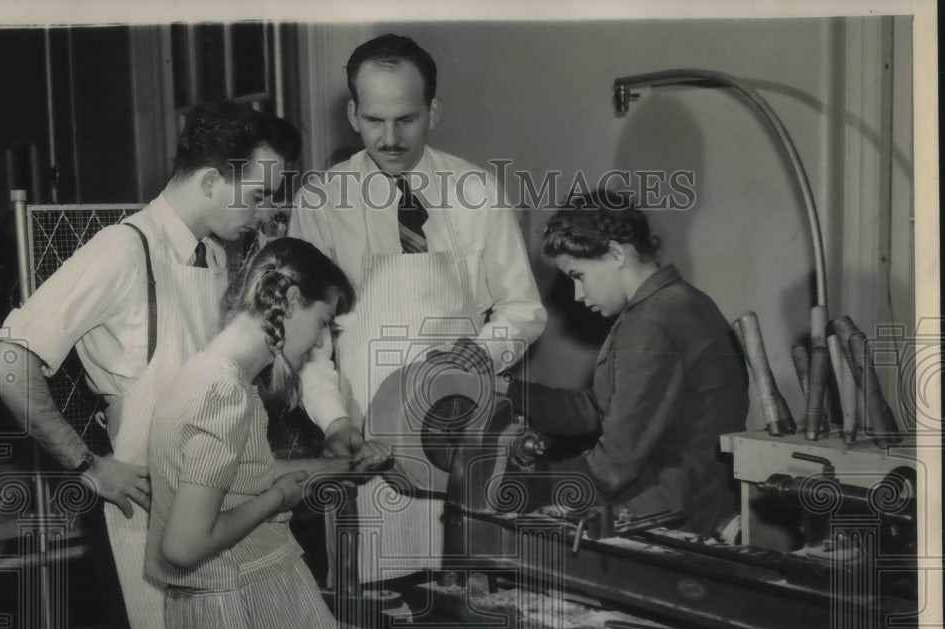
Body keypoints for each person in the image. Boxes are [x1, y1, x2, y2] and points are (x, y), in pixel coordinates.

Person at [0, 101, 301, 629]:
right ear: (211, 180)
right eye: (257, 195)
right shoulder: (121, 251)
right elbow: (8, 364)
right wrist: (87, 464)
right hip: (143, 512)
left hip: (207, 500)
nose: (263, 213)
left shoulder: (209, 255)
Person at [289, 33, 546, 585]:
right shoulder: (320, 202)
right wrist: (333, 420)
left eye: (406, 118)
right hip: (365, 439)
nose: (390, 138)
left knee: (468, 589)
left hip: (463, 430)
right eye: (374, 119)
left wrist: (472, 361)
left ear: (434, 109)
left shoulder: (478, 192)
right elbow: (310, 341)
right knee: (377, 602)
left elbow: (524, 310)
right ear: (352, 113)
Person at [144, 238, 390, 629]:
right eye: (324, 321)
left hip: (225, 605)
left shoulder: (207, 373)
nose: (322, 343)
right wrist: (278, 498)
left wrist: (338, 467)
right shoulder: (224, 394)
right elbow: (184, 545)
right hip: (243, 609)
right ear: (293, 298)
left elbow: (240, 475)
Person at [506, 189, 749, 536]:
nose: (578, 295)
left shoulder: (654, 322)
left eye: (578, 276)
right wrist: (507, 391)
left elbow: (612, 467)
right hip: (685, 497)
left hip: (671, 515)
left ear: (616, 253)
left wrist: (519, 484)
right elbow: (598, 407)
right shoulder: (672, 303)